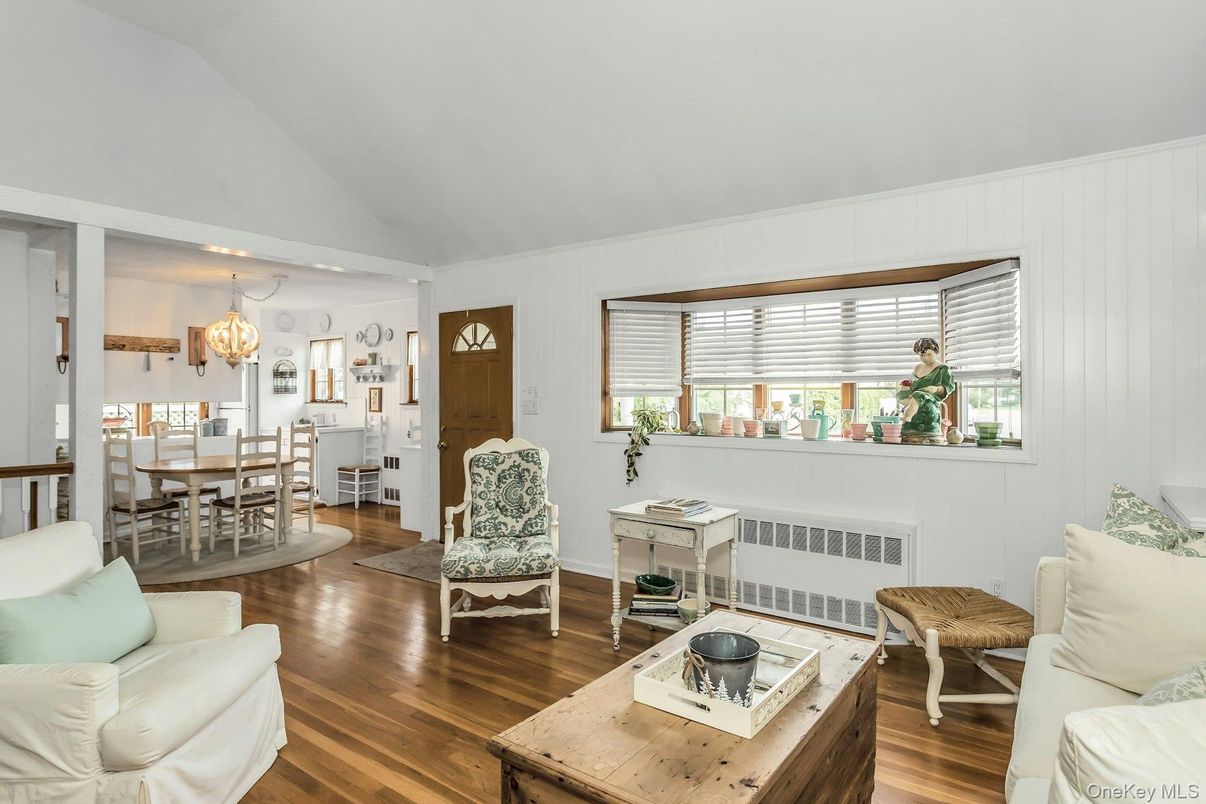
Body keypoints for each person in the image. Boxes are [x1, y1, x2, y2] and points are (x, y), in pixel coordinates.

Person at [896, 337, 954, 436]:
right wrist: (906, 387)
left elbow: (949, 386)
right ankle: (912, 409)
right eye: (922, 355)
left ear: (936, 352)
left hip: (931, 396)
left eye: (929, 354)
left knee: (918, 395)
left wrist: (936, 389)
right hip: (915, 394)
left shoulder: (942, 369)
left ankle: (908, 416)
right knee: (900, 394)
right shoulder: (918, 368)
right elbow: (912, 383)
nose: (926, 358)